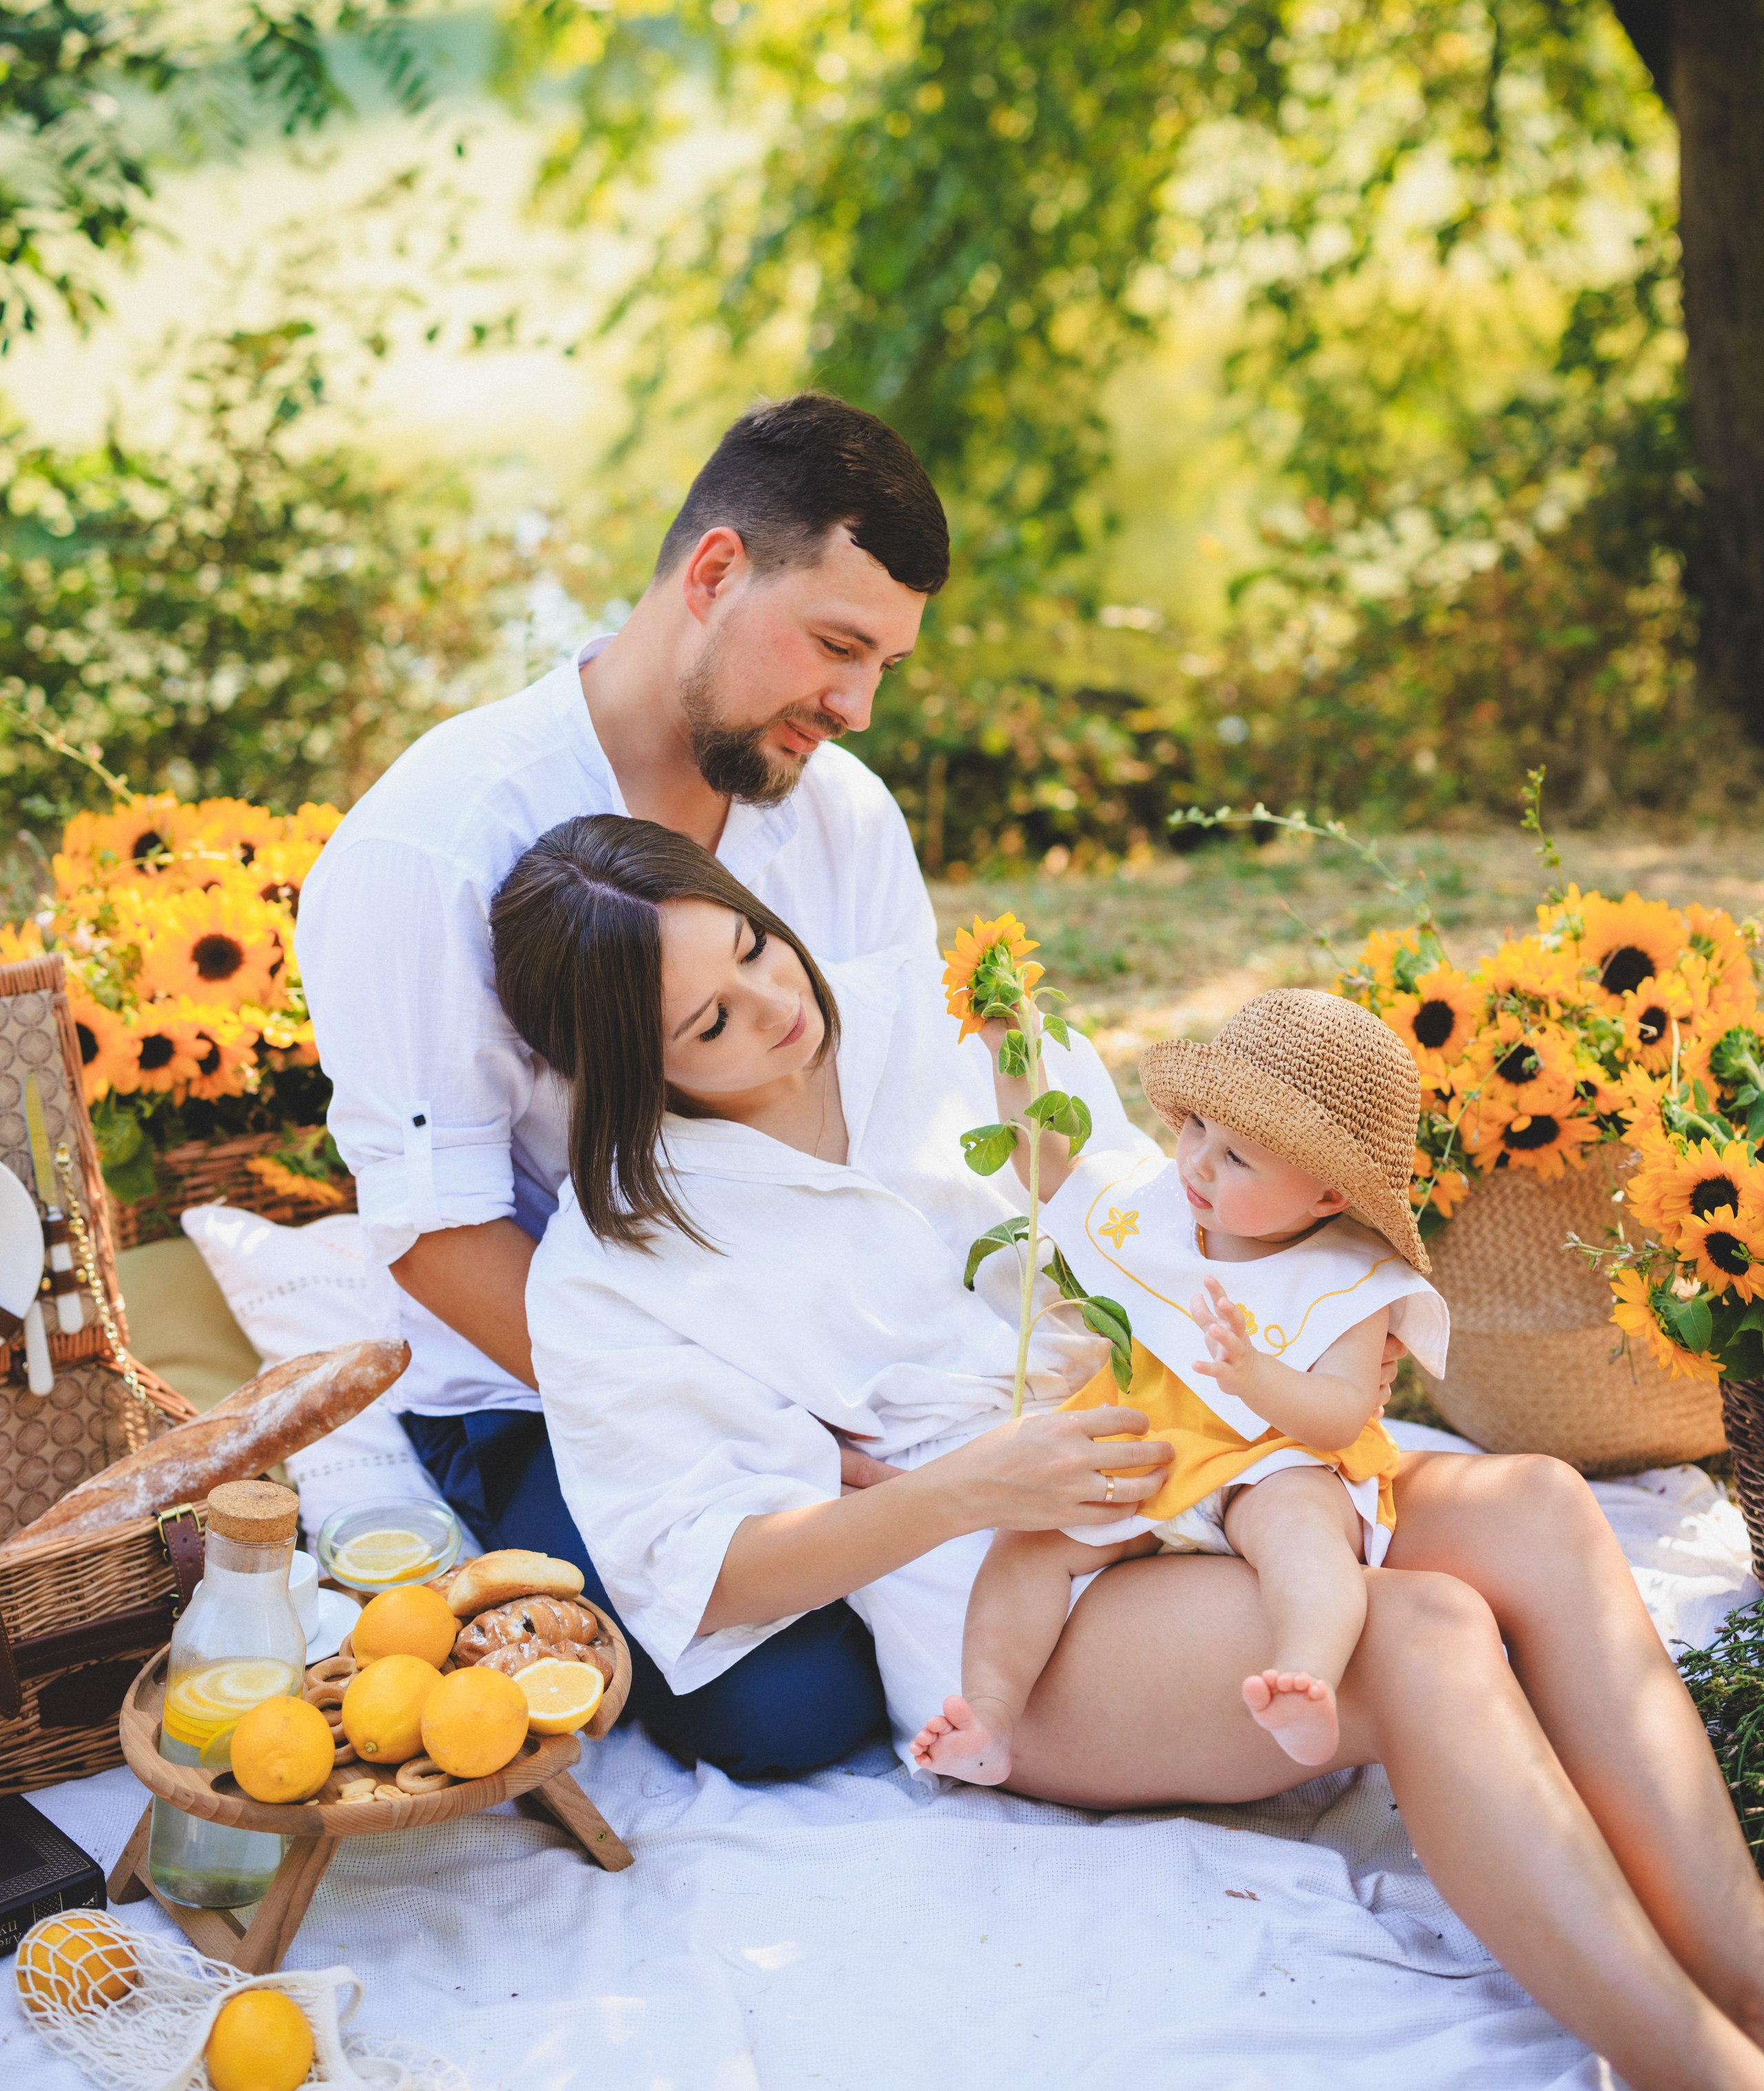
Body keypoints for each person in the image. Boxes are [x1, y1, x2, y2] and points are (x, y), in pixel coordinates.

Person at [502, 813, 1764, 2091]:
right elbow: (709, 1574)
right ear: (619, 1065)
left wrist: (1326, 1313)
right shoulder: (614, 1264)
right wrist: (965, 1486)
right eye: (708, 1022)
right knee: (1420, 1631)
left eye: (757, 946)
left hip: (1213, 1436)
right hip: (1029, 1584)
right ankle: (1701, 2068)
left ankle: (1749, 1968)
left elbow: (1162, 1206)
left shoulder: (945, 1016)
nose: (774, 1004)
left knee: (1542, 1505)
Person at [296, 391, 951, 1776]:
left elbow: (912, 1113)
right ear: (711, 573)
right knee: (786, 1706)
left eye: (883, 662)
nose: (855, 705)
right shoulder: (433, 843)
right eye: (835, 645)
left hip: (830, 1317)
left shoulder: (844, 816)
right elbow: (437, 1228)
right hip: (548, 1371)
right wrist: (757, 1425)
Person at [912, 990, 1450, 1787]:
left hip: (1273, 1457)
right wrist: (1008, 1048)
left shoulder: (1348, 1278)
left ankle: (1307, 1678)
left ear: (1329, 1195)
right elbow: (1046, 1169)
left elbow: (1340, 1415)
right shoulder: (1158, 1210)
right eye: (1197, 1126)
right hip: (1149, 1441)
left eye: (1237, 1158)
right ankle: (990, 1713)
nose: (1197, 1161)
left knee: (1306, 1539)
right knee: (1023, 1546)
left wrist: (1257, 1377)